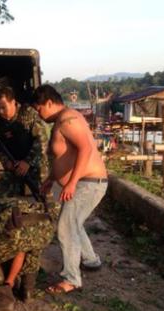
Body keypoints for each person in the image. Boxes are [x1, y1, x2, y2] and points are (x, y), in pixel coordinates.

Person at [31, 85, 108, 294]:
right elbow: (66, 156)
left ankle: (71, 279)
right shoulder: (63, 120)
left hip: (89, 182)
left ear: (48, 102)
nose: (39, 114)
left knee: (66, 225)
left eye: (39, 109)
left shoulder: (68, 121)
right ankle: (91, 260)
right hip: (86, 181)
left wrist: (72, 182)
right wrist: (52, 178)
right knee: (74, 221)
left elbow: (86, 149)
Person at [0, 86, 50, 197]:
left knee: (44, 197)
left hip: (36, 164)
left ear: (13, 102)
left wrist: (28, 162)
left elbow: (41, 140)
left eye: (3, 107)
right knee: (2, 195)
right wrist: (6, 162)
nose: (0, 112)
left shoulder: (29, 114)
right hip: (14, 166)